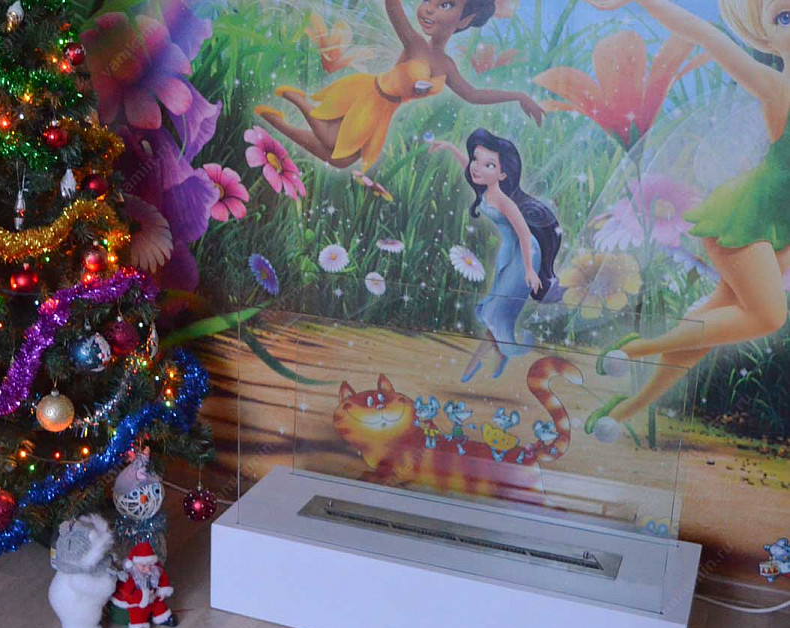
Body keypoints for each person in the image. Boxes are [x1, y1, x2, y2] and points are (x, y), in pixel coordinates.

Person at [584, 0, 790, 440]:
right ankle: (641, 347)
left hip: (781, 228)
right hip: (748, 218)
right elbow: (703, 33)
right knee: (769, 316)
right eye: (785, 17)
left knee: (714, 324)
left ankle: (625, 410)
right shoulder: (777, 87)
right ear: (766, 35)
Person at [256, 0, 543, 173]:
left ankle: (281, 119)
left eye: (446, 5)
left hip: (384, 111)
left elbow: (474, 95)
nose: (429, 8)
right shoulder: (415, 43)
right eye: (429, 0)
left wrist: (517, 95)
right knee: (334, 144)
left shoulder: (446, 65)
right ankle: (298, 102)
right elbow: (393, 6)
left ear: (465, 19)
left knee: (342, 160)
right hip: (370, 96)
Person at [430, 128, 562, 381]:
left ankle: (477, 362)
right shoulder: (483, 189)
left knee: (495, 311)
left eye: (489, 164)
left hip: (525, 254)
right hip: (509, 252)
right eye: (476, 159)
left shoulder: (503, 201)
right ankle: (501, 355)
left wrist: (529, 269)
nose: (477, 167)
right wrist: (450, 147)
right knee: (496, 309)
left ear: (503, 174)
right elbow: (468, 168)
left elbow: (525, 235)